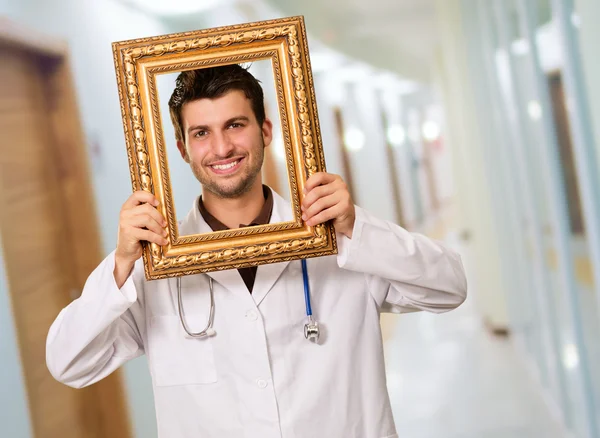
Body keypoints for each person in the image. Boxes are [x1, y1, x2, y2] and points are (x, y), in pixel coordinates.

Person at [46, 64, 467, 438]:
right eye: (201, 133)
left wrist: (356, 226)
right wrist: (120, 264)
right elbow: (69, 363)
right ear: (182, 148)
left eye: (235, 125)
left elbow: (449, 287)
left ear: (265, 130)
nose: (222, 148)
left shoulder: (337, 237)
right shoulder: (155, 263)